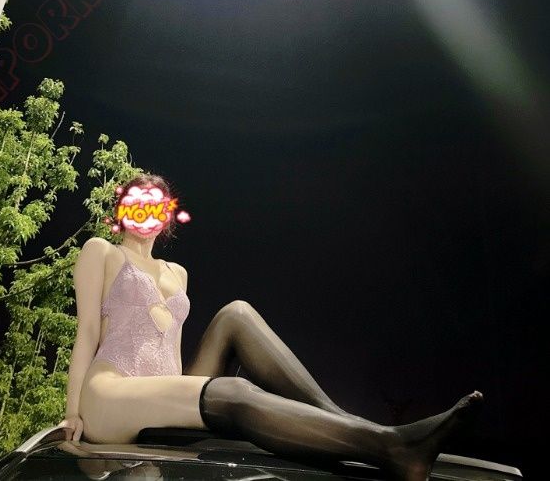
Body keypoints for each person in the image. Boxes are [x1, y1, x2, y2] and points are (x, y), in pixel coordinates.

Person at [57, 173, 483, 481]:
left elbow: (171, 352)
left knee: (237, 313)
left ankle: (341, 421)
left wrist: (182, 393)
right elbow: (87, 334)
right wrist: (73, 412)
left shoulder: (177, 272)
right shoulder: (102, 252)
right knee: (234, 392)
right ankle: (392, 446)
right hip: (110, 394)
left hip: (158, 395)